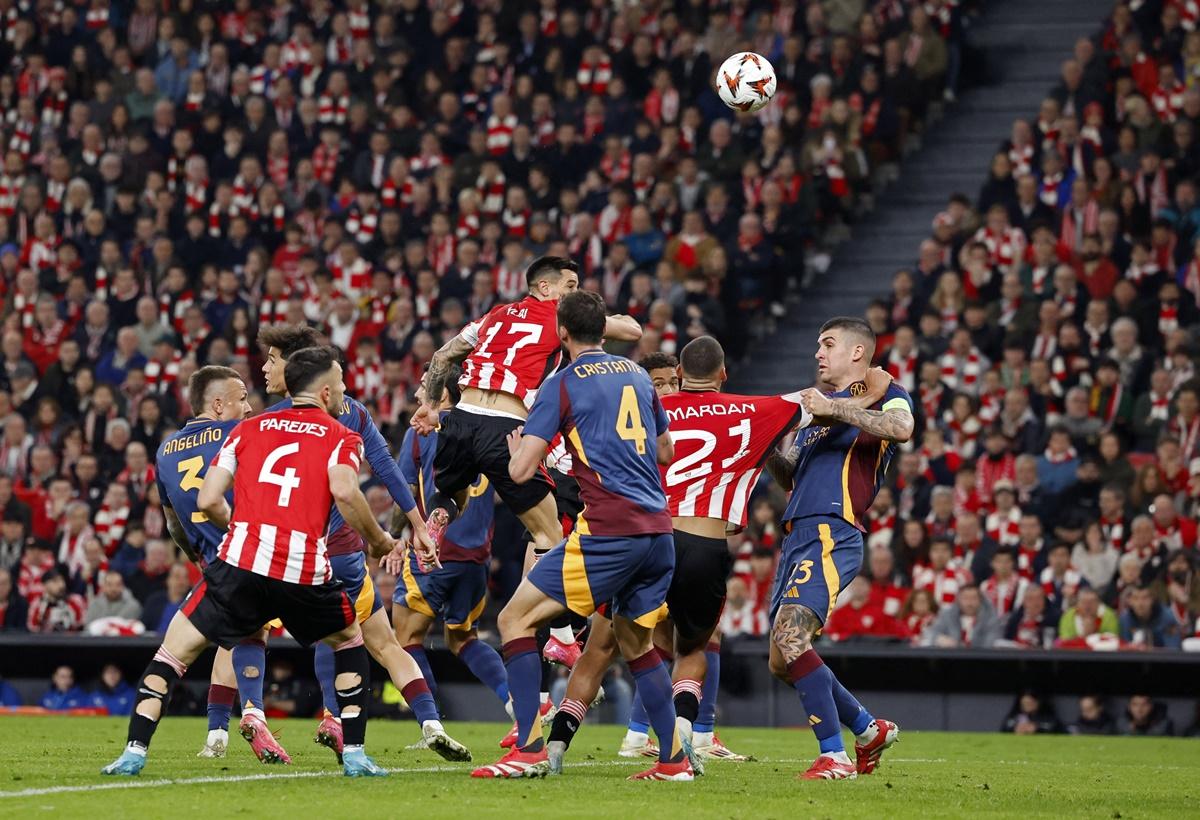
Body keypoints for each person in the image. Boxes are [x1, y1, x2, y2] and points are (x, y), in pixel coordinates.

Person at [547, 336, 889, 768]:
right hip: (705, 544)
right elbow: (818, 404)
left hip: (642, 536)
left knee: (604, 647)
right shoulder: (754, 408)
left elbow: (569, 455)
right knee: (695, 647)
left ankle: (557, 743)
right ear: (723, 374)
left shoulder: (652, 409)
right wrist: (875, 393)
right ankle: (687, 739)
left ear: (678, 376)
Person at [101, 347, 417, 778]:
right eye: (341, 382)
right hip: (301, 566)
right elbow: (346, 493)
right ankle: (357, 753)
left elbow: (210, 499)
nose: (345, 389)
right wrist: (380, 541)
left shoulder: (247, 429)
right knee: (348, 642)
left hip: (240, 562)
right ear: (325, 391)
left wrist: (240, 531)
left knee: (171, 655)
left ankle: (134, 752)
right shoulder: (341, 435)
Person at [471, 291, 687, 781]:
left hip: (610, 531)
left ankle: (526, 750)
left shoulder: (561, 383)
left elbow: (522, 472)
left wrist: (515, 451)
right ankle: (674, 761)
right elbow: (666, 452)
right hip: (658, 529)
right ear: (604, 331)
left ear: (561, 334)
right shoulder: (636, 374)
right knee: (636, 644)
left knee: (513, 619)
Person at [256, 325, 464, 763]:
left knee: (252, 633)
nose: (267, 367)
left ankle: (250, 718)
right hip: (344, 552)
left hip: (287, 551)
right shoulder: (354, 414)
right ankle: (429, 722)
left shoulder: (267, 422)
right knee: (379, 641)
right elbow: (386, 468)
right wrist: (416, 526)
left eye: (273, 359)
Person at [763, 316, 914, 780]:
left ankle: (835, 755)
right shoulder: (817, 409)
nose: (818, 353)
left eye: (827, 344)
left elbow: (901, 429)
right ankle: (868, 730)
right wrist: (765, 444)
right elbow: (791, 471)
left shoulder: (889, 392)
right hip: (796, 535)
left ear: (857, 352)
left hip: (834, 528)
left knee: (792, 638)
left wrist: (838, 410)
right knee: (780, 658)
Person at [155, 365, 277, 760]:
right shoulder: (238, 434)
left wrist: (197, 557)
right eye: (242, 399)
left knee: (230, 639)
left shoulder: (165, 450)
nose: (248, 406)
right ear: (219, 404)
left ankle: (216, 734)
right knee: (344, 629)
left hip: (211, 561)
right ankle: (258, 712)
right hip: (250, 554)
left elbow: (173, 523)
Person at [388, 374, 510, 740]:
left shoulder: (422, 431)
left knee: (406, 638)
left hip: (434, 550)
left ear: (443, 394)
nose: (415, 391)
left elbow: (405, 488)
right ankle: (516, 704)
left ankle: (431, 723)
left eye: (424, 387)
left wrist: (395, 535)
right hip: (476, 556)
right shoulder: (486, 425)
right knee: (463, 638)